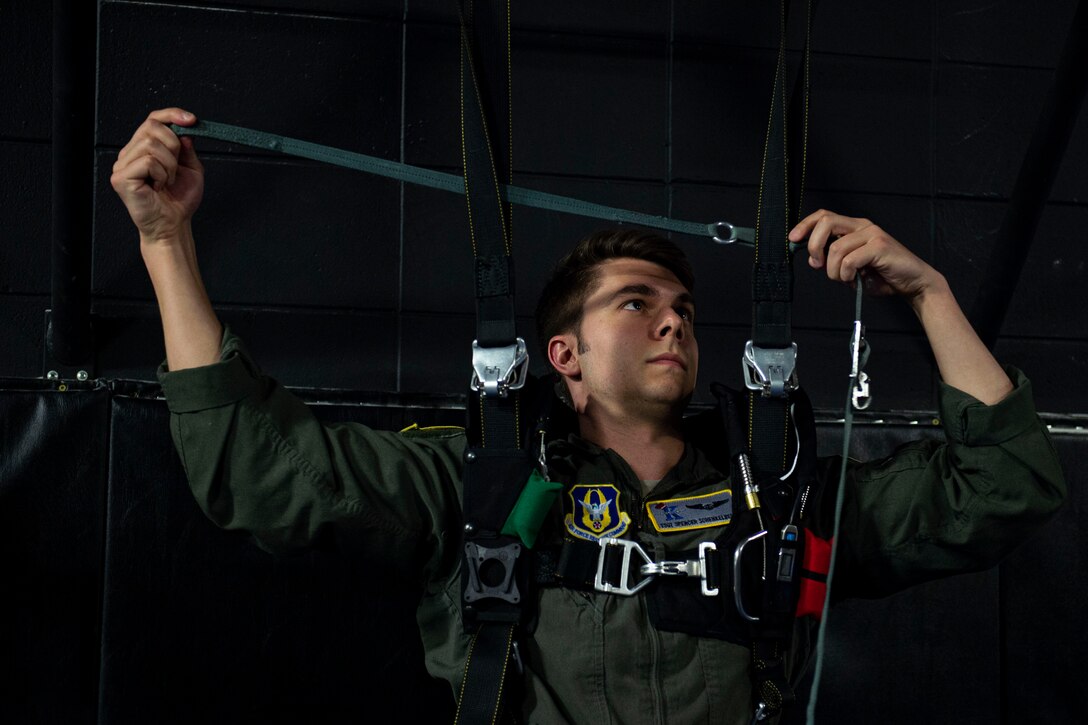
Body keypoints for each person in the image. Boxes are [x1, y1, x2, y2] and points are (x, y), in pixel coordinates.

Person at [112, 108, 1066, 723]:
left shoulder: (774, 497)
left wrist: (929, 291)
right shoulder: (481, 484)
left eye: (686, 310)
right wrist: (167, 241)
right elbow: (258, 469)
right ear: (563, 354)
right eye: (637, 302)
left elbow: (1004, 487)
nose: (674, 322)